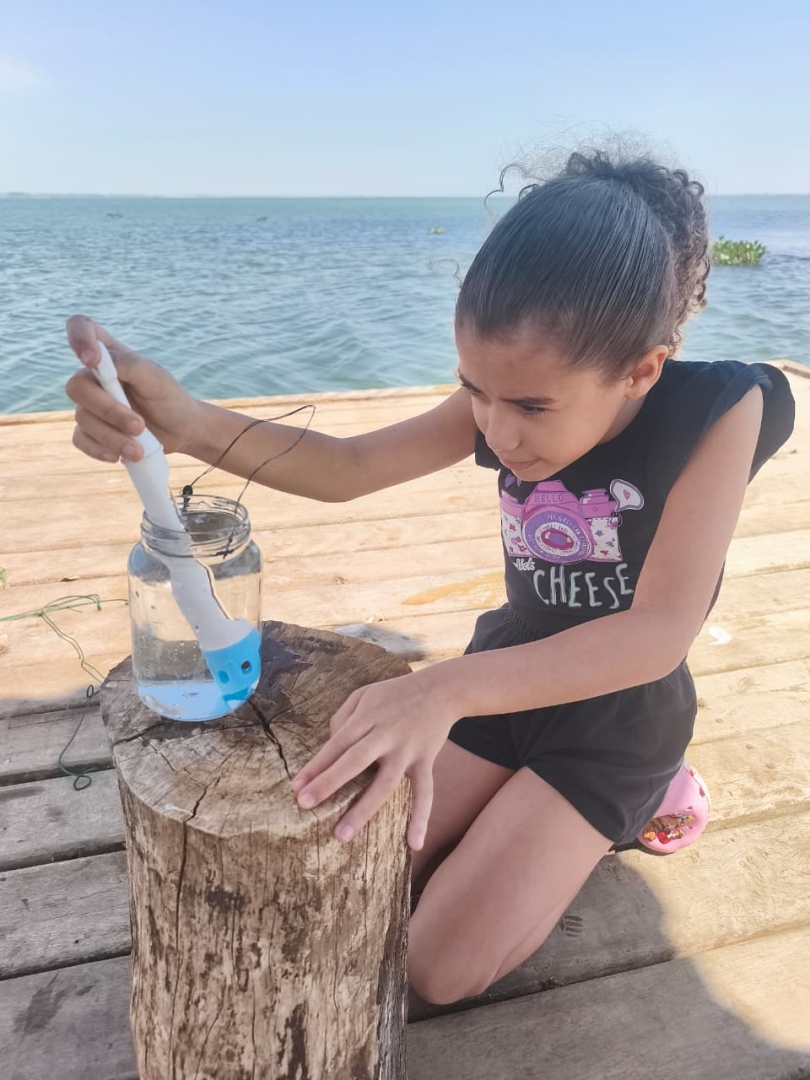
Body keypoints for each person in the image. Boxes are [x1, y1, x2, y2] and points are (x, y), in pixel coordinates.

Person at [65, 148, 795, 1007]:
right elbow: (350, 467)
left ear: (643, 369)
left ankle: (651, 795)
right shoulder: (509, 386)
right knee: (352, 868)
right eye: (474, 392)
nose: (498, 433)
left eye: (530, 408)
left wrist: (438, 690)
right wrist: (187, 423)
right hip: (505, 676)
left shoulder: (721, 410)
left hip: (621, 712)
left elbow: (656, 634)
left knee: (437, 968)